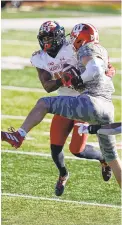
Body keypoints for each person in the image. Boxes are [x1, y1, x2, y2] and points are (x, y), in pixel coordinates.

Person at [2, 22, 121, 191]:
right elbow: (48, 86)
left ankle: (102, 158)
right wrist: (63, 79)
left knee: (77, 149)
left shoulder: (73, 47)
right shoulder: (39, 58)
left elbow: (97, 61)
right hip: (68, 102)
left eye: (49, 37)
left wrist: (107, 68)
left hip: (84, 101)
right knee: (55, 148)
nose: (46, 41)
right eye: (43, 38)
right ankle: (63, 173)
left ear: (59, 38)